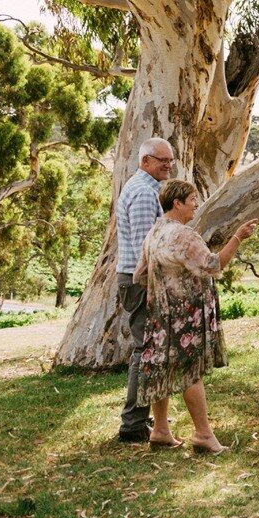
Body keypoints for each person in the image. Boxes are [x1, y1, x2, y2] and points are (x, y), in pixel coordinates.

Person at [133, 180, 258, 454]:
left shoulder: (154, 233)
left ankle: (161, 430)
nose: (196, 205)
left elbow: (140, 274)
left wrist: (163, 288)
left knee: (162, 367)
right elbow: (213, 264)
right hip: (185, 314)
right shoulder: (183, 235)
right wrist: (238, 237)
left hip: (160, 313)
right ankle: (203, 435)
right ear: (177, 203)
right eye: (192, 200)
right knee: (190, 371)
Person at [115, 136, 176, 444]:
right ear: (146, 161)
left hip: (143, 280)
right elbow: (145, 249)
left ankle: (142, 419)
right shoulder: (142, 193)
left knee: (149, 349)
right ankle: (133, 425)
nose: (169, 165)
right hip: (141, 281)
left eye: (171, 160)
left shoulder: (152, 189)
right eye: (163, 160)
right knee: (145, 350)